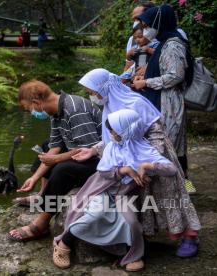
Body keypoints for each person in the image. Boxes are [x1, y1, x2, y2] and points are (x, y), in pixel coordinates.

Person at [74, 68, 201, 257]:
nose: (92, 96)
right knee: (143, 200)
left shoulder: (135, 103)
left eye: (93, 92)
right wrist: (94, 150)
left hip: (151, 155)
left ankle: (190, 236)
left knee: (170, 194)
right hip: (131, 163)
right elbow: (116, 137)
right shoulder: (110, 106)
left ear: (105, 88)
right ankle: (143, 236)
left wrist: (150, 160)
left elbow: (156, 131)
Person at [53, 109, 180, 271]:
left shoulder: (146, 150)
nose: (111, 135)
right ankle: (63, 242)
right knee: (95, 214)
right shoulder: (112, 147)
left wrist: (148, 165)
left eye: (114, 131)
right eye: (111, 131)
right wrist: (124, 170)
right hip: (102, 189)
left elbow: (171, 170)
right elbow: (104, 173)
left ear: (128, 130)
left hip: (124, 195)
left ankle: (132, 255)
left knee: (131, 222)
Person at [8, 80, 102, 242]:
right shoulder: (55, 111)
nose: (32, 112)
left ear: (37, 102)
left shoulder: (75, 109)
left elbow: (90, 150)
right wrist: (34, 178)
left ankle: (42, 223)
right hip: (82, 152)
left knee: (62, 169)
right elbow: (55, 146)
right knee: (45, 147)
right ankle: (42, 194)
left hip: (100, 160)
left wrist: (57, 159)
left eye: (29, 108)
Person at [133, 4, 194, 177]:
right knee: (175, 150)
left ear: (159, 24)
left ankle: (182, 190)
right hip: (162, 101)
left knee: (171, 150)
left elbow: (175, 76)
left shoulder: (172, 45)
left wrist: (146, 82)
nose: (145, 31)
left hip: (169, 104)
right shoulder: (163, 42)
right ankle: (184, 188)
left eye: (147, 26)